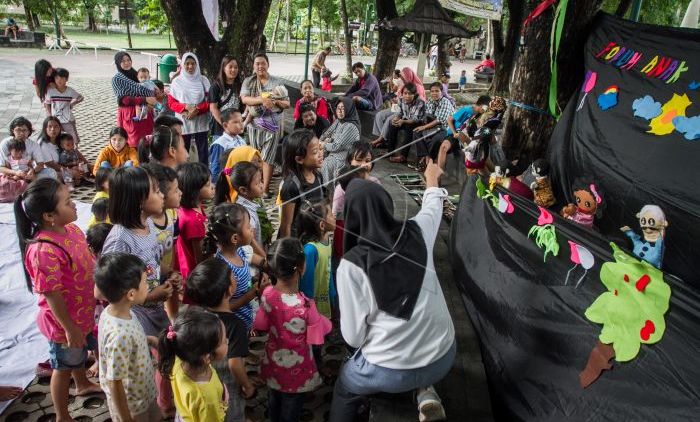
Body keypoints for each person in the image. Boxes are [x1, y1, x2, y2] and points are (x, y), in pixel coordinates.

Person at [330, 162, 456, 422]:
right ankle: (426, 393)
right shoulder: (418, 230)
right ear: (387, 205)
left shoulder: (352, 266)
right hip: (444, 355)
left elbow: (353, 337)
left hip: (389, 370)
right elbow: (433, 204)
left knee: (345, 386)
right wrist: (432, 175)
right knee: (416, 338)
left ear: (352, 216)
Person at [15, 178, 101, 422]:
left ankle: (82, 383)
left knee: (80, 355)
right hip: (65, 324)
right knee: (62, 369)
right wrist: (69, 328)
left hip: (82, 313)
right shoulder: (44, 251)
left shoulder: (72, 229)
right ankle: (63, 416)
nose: (74, 204)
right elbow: (52, 295)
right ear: (49, 216)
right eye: (67, 201)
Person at [253, 238, 331, 422]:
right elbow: (317, 339)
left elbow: (261, 325)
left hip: (273, 363)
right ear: (301, 268)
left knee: (275, 400)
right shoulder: (306, 305)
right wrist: (326, 323)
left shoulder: (267, 294)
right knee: (291, 407)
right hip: (297, 370)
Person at [186, 258, 256, 422]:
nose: (236, 277)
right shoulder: (235, 325)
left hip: (201, 386)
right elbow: (235, 365)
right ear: (229, 290)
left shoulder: (194, 315)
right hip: (227, 389)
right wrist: (247, 385)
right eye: (232, 276)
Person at [95, 253, 160, 422]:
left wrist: (146, 340)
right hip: (133, 406)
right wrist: (125, 419)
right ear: (131, 294)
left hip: (143, 390)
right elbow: (114, 382)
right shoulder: (120, 335)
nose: (148, 286)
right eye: (145, 282)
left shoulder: (115, 311)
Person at [204, 203, 269, 331]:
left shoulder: (242, 251)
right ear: (235, 238)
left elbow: (263, 262)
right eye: (248, 226)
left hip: (247, 316)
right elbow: (225, 306)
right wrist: (254, 293)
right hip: (233, 326)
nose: (252, 229)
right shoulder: (223, 269)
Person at [157, 307, 228, 422]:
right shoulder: (206, 399)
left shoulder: (178, 360)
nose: (227, 341)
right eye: (224, 341)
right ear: (207, 357)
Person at [241, 52, 290, 197]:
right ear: (253, 66)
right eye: (257, 63)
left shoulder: (277, 82)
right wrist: (262, 100)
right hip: (254, 125)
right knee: (255, 157)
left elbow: (287, 103)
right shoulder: (248, 81)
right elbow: (245, 99)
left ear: (268, 65)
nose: (260, 66)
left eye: (263, 63)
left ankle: (265, 188)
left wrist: (274, 102)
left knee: (269, 156)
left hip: (272, 125)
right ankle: (255, 185)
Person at [141, 163, 182, 289]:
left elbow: (172, 246)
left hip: (166, 273)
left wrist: (171, 272)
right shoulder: (146, 225)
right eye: (175, 190)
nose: (180, 193)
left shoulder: (172, 215)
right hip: (146, 287)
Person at [278, 129, 325, 238]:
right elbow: (286, 225)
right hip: (297, 241)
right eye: (315, 152)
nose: (320, 154)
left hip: (313, 237)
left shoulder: (318, 176)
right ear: (299, 159)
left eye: (320, 148)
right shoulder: (291, 186)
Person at [168, 52, 212, 164]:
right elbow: (171, 103)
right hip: (183, 121)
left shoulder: (203, 80)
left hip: (200, 121)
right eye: (187, 63)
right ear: (182, 65)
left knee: (203, 153)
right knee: (183, 152)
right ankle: (183, 178)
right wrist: (185, 107)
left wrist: (197, 110)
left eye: (193, 63)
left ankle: (204, 176)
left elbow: (210, 101)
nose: (190, 66)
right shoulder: (176, 82)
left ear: (197, 64)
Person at [298, 199, 337, 323]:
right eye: (330, 215)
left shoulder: (327, 243)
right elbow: (306, 284)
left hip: (325, 300)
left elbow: (328, 272)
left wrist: (333, 294)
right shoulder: (310, 250)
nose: (334, 216)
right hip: (312, 308)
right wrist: (309, 309)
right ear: (322, 225)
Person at [431, 95, 491, 170]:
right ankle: (439, 175)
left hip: (468, 138)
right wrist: (454, 133)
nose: (487, 110)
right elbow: (449, 120)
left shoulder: (481, 115)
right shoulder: (466, 110)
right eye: (487, 107)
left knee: (480, 152)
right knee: (443, 147)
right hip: (455, 135)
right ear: (482, 105)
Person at [175, 162, 214, 281]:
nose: (213, 186)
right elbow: (201, 258)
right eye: (208, 184)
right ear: (194, 191)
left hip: (185, 267)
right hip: (196, 276)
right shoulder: (194, 220)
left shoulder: (187, 209)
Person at [111, 52, 157, 147]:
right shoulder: (117, 79)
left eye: (128, 60)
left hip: (145, 112)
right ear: (118, 63)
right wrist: (145, 99)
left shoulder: (138, 75)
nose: (127, 63)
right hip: (130, 115)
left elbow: (149, 88)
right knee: (134, 143)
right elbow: (124, 100)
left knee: (147, 141)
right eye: (123, 61)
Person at [371, 67, 424, 148]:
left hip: (409, 110)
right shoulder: (404, 84)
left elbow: (417, 101)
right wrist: (396, 100)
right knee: (379, 115)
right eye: (402, 77)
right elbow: (399, 96)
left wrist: (400, 108)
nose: (402, 79)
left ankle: (382, 139)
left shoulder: (417, 87)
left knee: (390, 120)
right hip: (398, 106)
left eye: (404, 77)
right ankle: (382, 139)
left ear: (409, 76)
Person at [414, 82, 455, 169]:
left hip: (444, 128)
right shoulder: (430, 101)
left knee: (436, 139)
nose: (434, 93)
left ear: (442, 92)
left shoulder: (445, 102)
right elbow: (428, 115)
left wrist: (424, 127)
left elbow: (438, 120)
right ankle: (425, 156)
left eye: (437, 91)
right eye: (432, 91)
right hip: (433, 127)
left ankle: (429, 161)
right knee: (416, 132)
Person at [229, 161, 266, 258]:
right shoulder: (246, 213)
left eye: (261, 181)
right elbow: (251, 242)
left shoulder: (249, 203)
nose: (262, 185)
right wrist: (264, 258)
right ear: (243, 190)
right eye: (258, 184)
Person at [319, 97, 361, 183]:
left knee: (326, 164)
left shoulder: (350, 126)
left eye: (343, 108)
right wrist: (321, 140)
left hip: (345, 156)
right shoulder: (339, 121)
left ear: (349, 109)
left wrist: (323, 144)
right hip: (334, 152)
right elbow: (327, 133)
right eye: (338, 108)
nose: (340, 111)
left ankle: (330, 190)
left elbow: (337, 146)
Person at [386, 82, 426, 164]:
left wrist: (403, 121)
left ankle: (403, 156)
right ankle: (390, 151)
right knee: (392, 124)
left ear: (415, 94)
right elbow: (399, 113)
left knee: (409, 127)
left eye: (410, 93)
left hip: (417, 123)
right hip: (405, 120)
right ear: (402, 93)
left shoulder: (420, 103)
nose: (407, 96)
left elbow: (415, 119)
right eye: (405, 93)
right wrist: (396, 119)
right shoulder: (401, 100)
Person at [0, 117, 48, 181]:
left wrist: (32, 171)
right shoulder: (5, 143)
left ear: (29, 131)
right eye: (18, 130)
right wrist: (15, 173)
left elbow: (40, 164)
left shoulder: (34, 145)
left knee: (50, 172)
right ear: (13, 130)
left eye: (25, 130)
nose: (22, 133)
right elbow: (1, 167)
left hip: (28, 173)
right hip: (10, 175)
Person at [43, 68, 84, 144]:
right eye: (57, 78)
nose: (59, 80)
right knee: (55, 136)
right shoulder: (51, 91)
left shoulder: (70, 91)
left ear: (67, 79)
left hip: (68, 118)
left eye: (62, 78)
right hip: (55, 119)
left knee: (73, 136)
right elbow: (47, 103)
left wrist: (72, 104)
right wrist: (49, 115)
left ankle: (75, 151)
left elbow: (80, 97)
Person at [209, 55, 244, 138]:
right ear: (224, 68)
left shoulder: (240, 86)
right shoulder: (216, 86)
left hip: (236, 129)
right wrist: (226, 126)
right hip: (220, 129)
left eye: (236, 67)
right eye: (230, 67)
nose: (233, 70)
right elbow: (213, 108)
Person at [209, 109, 245, 180]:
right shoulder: (220, 144)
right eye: (236, 122)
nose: (241, 124)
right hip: (227, 181)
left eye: (242, 121)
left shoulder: (241, 140)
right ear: (225, 125)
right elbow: (216, 169)